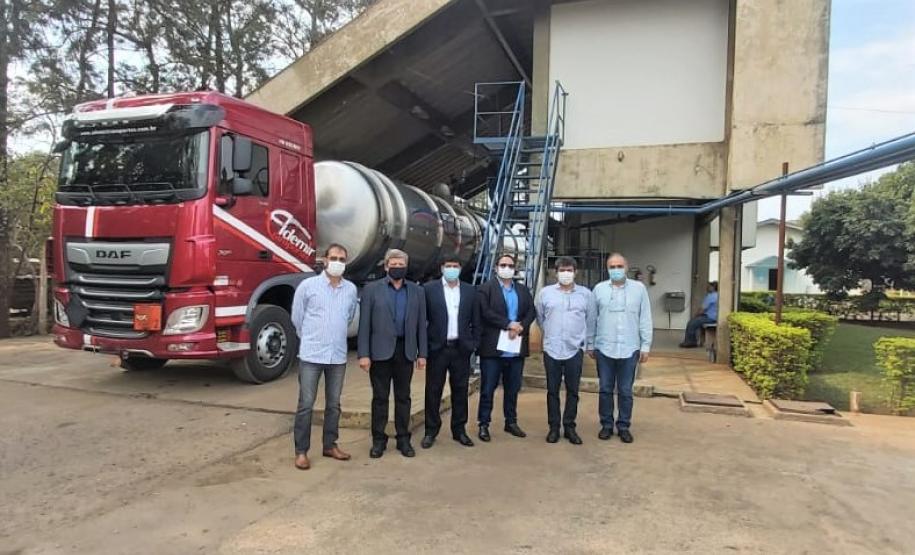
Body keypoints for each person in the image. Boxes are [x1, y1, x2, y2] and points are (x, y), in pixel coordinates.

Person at [290, 243, 358, 470]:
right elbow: (297, 318)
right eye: (334, 258)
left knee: (334, 404)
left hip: (337, 356)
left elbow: (348, 318)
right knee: (306, 404)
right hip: (311, 354)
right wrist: (311, 337)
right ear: (325, 260)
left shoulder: (350, 289)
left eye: (342, 259)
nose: (338, 262)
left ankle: (330, 445)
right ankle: (301, 451)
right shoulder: (308, 286)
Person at [358, 249, 427, 458]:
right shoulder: (372, 290)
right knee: (380, 398)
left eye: (401, 265)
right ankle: (378, 440)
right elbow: (364, 325)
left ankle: (403, 439)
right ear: (386, 266)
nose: (397, 268)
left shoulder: (417, 291)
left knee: (403, 397)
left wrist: (422, 353)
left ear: (406, 267)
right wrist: (364, 354)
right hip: (379, 351)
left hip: (405, 350)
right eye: (393, 264)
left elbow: (421, 326)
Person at [587, 253, 652, 444]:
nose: (616, 270)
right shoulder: (598, 289)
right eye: (612, 267)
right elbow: (591, 319)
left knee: (625, 390)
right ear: (607, 269)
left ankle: (623, 426)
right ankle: (606, 425)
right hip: (604, 348)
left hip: (630, 348)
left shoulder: (639, 289)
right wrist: (590, 343)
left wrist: (645, 345)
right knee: (605, 388)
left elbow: (645, 318)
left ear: (626, 267)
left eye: (619, 266)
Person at [420, 256, 480, 449]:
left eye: (455, 266)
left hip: (461, 349)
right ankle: (431, 430)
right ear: (442, 268)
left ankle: (459, 430)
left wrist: (473, 344)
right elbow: (422, 320)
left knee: (460, 391)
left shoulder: (470, 291)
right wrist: (424, 348)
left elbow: (476, 322)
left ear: (460, 268)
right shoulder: (429, 289)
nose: (452, 269)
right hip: (438, 348)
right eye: (448, 266)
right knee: (433, 391)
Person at [476, 253, 536, 442]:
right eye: (503, 265)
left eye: (510, 265)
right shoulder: (485, 289)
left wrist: (520, 326)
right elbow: (486, 313)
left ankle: (511, 422)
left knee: (512, 388)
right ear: (496, 268)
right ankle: (484, 424)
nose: (507, 268)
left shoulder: (523, 290)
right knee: (487, 389)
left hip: (515, 348)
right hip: (493, 349)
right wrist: (508, 324)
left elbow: (531, 312)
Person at [535, 257, 594, 445]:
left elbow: (591, 321)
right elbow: (540, 318)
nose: (566, 274)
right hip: (551, 349)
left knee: (573, 391)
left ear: (575, 272)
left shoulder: (585, 295)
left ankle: (569, 427)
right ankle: (554, 427)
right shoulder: (545, 294)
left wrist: (586, 345)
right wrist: (552, 334)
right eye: (562, 270)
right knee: (552, 391)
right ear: (556, 272)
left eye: (569, 270)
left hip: (574, 349)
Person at [679, 282, 718, 348]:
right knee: (696, 322)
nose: (707, 288)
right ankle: (693, 340)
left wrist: (695, 316)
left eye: (709, 286)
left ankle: (690, 342)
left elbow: (702, 309)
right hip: (715, 317)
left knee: (692, 323)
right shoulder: (718, 295)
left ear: (713, 287)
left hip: (710, 318)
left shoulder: (711, 296)